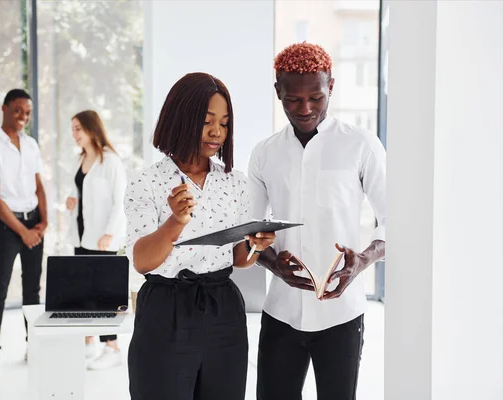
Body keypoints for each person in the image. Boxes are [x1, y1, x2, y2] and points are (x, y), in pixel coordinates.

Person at [125, 72, 276, 400]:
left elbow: (238, 259)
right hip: (166, 310)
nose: (216, 132)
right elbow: (141, 261)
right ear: (181, 118)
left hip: (223, 309)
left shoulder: (234, 182)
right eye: (207, 121)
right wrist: (174, 223)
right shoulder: (147, 182)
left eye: (223, 123)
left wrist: (255, 245)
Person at [249, 42, 387, 400]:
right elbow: (249, 229)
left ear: (332, 87)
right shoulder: (264, 153)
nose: (305, 108)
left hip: (342, 314)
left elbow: (395, 221)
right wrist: (270, 262)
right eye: (293, 99)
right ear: (277, 90)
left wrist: (364, 260)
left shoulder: (362, 145)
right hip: (281, 312)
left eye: (316, 96)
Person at [0, 89, 48, 379]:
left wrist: (43, 223)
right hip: (8, 227)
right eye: (18, 110)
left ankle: (32, 346)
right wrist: (23, 232)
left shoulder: (31, 145)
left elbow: (39, 185)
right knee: (0, 287)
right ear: (4, 109)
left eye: (28, 113)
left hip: (33, 222)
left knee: (32, 290)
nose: (23, 117)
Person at [65, 110, 127, 370]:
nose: (74, 133)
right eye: (73, 129)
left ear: (92, 128)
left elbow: (120, 200)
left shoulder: (110, 161)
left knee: (105, 293)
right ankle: (89, 342)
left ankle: (111, 347)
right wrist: (71, 201)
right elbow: (78, 194)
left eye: (78, 128)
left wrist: (110, 232)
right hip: (81, 235)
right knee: (85, 290)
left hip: (102, 237)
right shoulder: (80, 160)